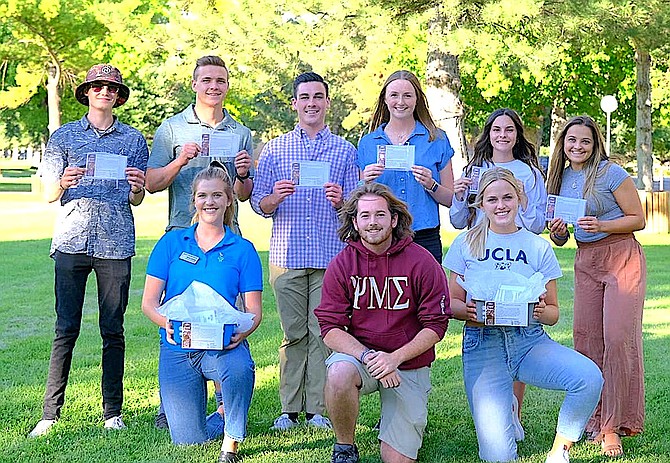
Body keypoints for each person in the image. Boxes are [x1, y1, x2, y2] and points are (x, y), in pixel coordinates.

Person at [443, 167, 603, 463]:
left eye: (507, 197)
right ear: (481, 204)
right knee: (499, 457)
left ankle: (559, 451)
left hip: (528, 342)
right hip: (484, 344)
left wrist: (542, 311)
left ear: (520, 199)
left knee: (589, 378)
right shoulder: (465, 243)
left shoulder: (537, 246)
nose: (501, 205)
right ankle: (506, 404)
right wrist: (466, 311)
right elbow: (451, 303)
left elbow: (553, 313)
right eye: (492, 199)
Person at [29, 64, 148, 437]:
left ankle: (112, 411)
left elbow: (138, 197)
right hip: (71, 241)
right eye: (98, 86)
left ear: (118, 95)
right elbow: (47, 194)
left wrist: (136, 186)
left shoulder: (133, 140)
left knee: (113, 329)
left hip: (115, 243)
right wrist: (62, 182)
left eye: (112, 88)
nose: (105, 92)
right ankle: (50, 415)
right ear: (87, 92)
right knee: (66, 327)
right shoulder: (63, 137)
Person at [250, 72, 358, 430]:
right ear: (294, 103)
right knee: (293, 333)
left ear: (328, 102)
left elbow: (357, 208)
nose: (312, 103)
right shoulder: (276, 149)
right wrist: (274, 197)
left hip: (331, 257)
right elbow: (258, 203)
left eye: (318, 97)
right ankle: (289, 408)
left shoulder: (345, 150)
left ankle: (316, 409)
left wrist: (342, 201)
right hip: (288, 255)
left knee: (323, 333)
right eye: (305, 97)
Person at [315, 183, 451, 463]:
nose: (372, 222)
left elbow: (436, 325)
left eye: (380, 215)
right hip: (362, 358)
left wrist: (394, 358)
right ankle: (344, 448)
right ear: (355, 221)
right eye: (365, 216)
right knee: (339, 372)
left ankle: (403, 427)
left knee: (397, 459)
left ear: (394, 219)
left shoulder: (422, 262)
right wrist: (370, 357)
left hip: (407, 361)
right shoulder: (342, 264)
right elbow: (330, 328)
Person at [142, 165, 263, 463]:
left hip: (221, 344)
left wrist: (242, 332)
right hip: (178, 347)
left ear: (228, 200)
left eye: (217, 195)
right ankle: (221, 414)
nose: (210, 202)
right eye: (203, 196)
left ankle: (231, 441)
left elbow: (254, 312)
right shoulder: (171, 242)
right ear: (194, 200)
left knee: (238, 369)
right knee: (187, 441)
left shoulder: (243, 249)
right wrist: (165, 323)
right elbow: (148, 303)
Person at [546, 115, 646, 458]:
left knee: (618, 339)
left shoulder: (610, 172)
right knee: (587, 341)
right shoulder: (558, 178)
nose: (578, 146)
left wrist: (601, 223)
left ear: (595, 143)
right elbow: (559, 237)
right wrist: (558, 230)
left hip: (621, 258)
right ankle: (596, 416)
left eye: (585, 141)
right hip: (585, 260)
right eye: (572, 140)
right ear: (563, 143)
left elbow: (639, 218)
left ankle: (613, 426)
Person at [449, 108, 548, 440]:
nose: (503, 135)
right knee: (486, 333)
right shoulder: (475, 169)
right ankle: (492, 409)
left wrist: (520, 198)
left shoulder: (531, 173)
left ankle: (514, 413)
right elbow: (458, 220)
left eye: (509, 130)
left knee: (516, 330)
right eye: (496, 129)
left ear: (518, 134)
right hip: (481, 258)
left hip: (516, 259)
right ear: (487, 134)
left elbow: (535, 224)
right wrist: (461, 195)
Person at [146, 55, 253, 235]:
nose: (214, 86)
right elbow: (151, 184)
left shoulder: (240, 133)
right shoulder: (172, 128)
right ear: (194, 84)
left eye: (220, 81)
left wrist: (242, 175)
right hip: (182, 231)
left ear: (227, 86)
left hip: (227, 233)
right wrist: (180, 161)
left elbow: (242, 196)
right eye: (206, 80)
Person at [357, 70, 454, 262]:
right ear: (384, 99)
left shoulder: (437, 139)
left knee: (427, 292)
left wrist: (431, 184)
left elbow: (451, 199)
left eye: (407, 95)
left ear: (417, 99)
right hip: (381, 236)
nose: (400, 102)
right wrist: (364, 181)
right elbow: (360, 198)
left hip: (425, 236)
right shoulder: (368, 143)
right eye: (394, 95)